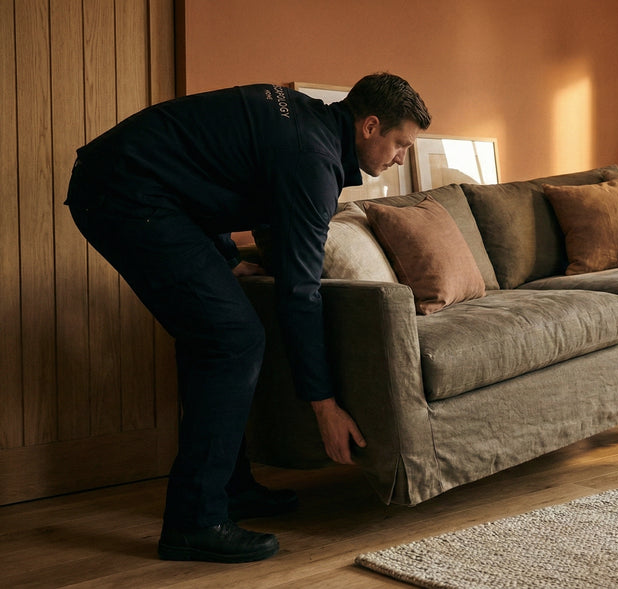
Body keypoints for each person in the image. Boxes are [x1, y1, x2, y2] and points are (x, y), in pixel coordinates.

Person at [65, 73, 431, 562]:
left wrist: (228, 257)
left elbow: (208, 170)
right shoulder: (313, 160)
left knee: (214, 334)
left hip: (135, 184)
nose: (401, 158)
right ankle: (194, 520)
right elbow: (300, 293)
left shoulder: (303, 125)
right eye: (400, 144)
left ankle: (229, 489)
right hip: (122, 192)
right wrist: (323, 404)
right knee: (231, 338)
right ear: (369, 126)